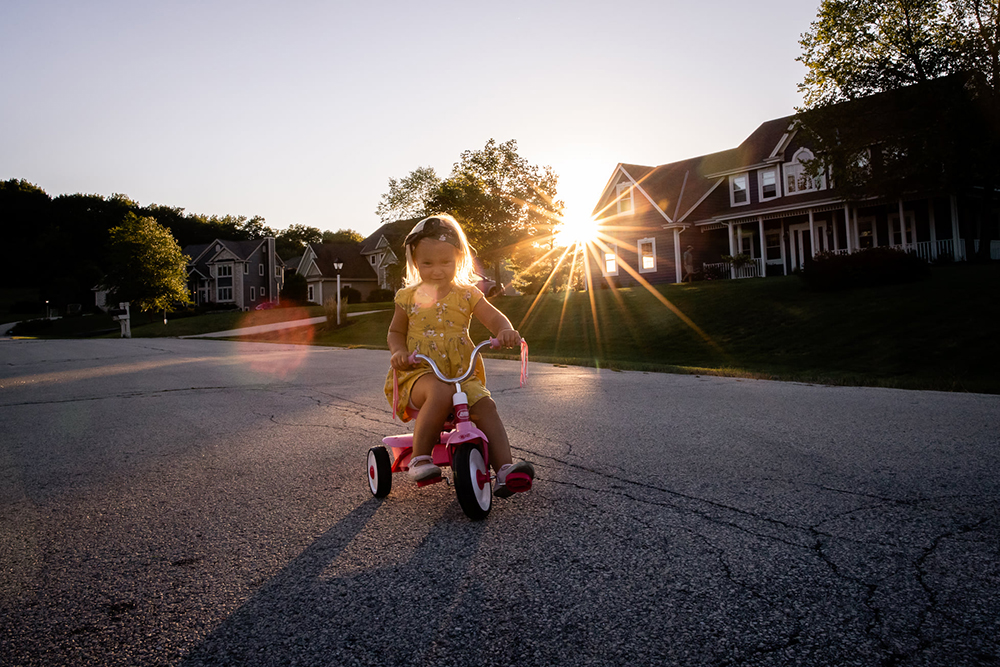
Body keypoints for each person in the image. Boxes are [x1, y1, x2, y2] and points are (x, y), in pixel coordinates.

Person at [384, 214, 534, 498]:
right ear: (415, 262)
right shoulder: (407, 296)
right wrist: (399, 352)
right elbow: (395, 332)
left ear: (459, 259)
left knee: (485, 405)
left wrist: (506, 330)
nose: (437, 270)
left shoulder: (467, 295)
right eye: (427, 263)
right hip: (418, 372)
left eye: (446, 262)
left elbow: (495, 318)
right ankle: (420, 458)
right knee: (439, 392)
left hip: (461, 373)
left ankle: (504, 470)